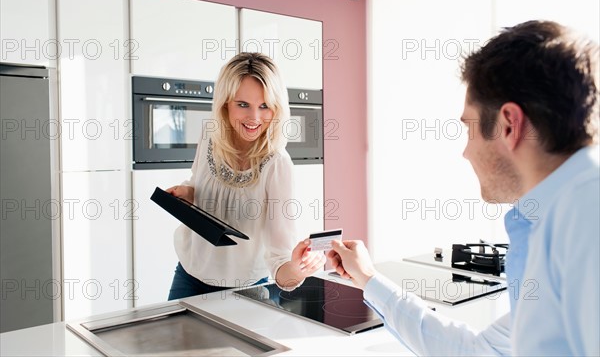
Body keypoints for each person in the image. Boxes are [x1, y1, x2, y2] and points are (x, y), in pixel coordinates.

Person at [327, 20, 599, 356]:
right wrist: (368, 278)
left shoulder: (586, 220)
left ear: (509, 125)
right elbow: (480, 350)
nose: (465, 152)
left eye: (469, 129)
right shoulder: (555, 221)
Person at [167, 52, 325, 299]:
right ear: (225, 103)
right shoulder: (210, 133)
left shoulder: (277, 164)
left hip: (245, 290)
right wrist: (186, 193)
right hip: (189, 276)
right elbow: (196, 183)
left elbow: (280, 261)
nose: (255, 118)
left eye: (264, 106)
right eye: (243, 104)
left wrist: (299, 267)